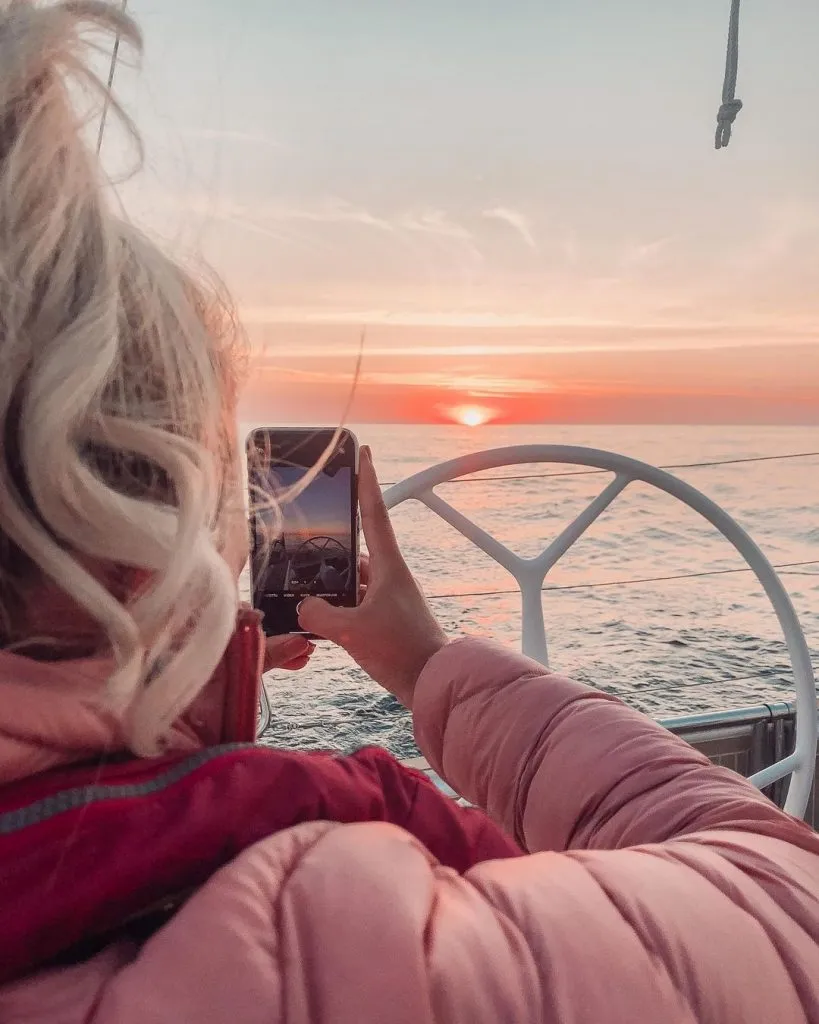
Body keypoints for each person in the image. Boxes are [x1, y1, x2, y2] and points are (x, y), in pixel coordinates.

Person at [1, 3, 819, 1022]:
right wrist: (427, 662)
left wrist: (190, 674)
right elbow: (790, 906)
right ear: (141, 559)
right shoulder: (372, 911)